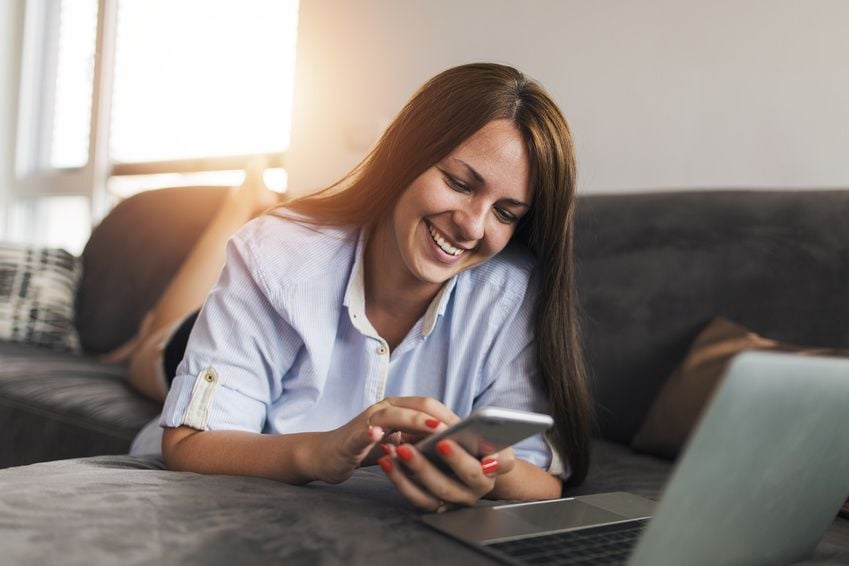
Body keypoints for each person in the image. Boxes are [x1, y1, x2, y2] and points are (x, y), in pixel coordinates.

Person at [133, 62, 594, 511]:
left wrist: (494, 471)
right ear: (406, 156)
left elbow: (543, 479)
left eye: (506, 213)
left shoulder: (513, 292)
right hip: (220, 329)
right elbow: (192, 440)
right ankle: (240, 202)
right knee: (151, 352)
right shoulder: (278, 253)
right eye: (458, 183)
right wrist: (321, 451)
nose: (472, 227)